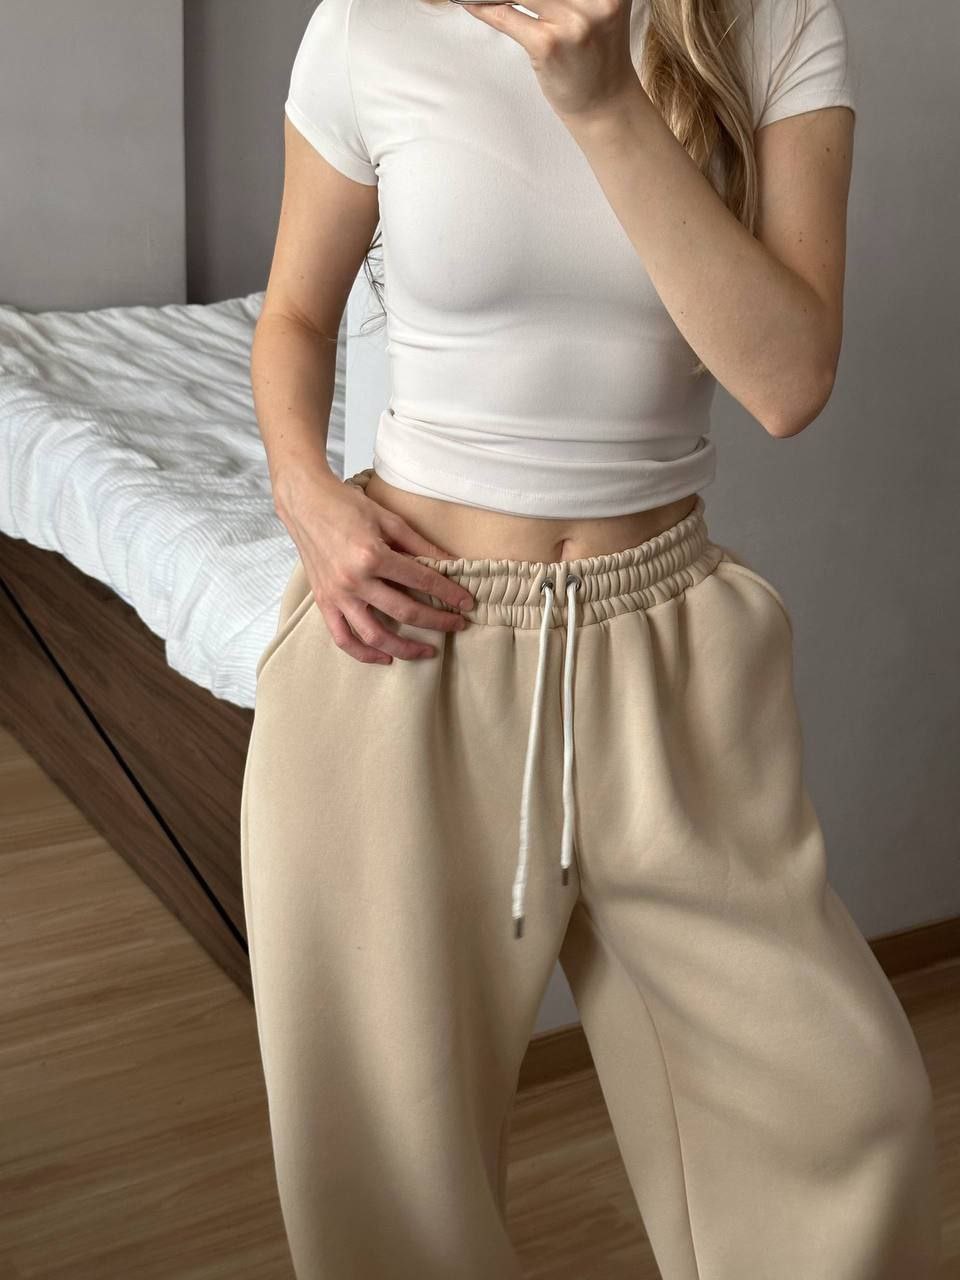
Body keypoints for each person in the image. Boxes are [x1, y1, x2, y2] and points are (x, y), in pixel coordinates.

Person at [240, 0, 941, 1275]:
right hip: (405, 642)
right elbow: (294, 313)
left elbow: (788, 380)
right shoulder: (370, 25)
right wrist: (307, 493)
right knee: (389, 1190)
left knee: (841, 1113)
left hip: (665, 650)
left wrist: (608, 101)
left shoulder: (775, 24)